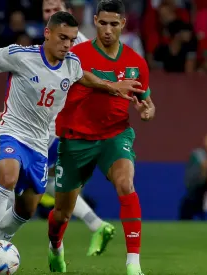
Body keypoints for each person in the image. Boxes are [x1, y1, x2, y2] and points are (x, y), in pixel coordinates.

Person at [0, 11, 145, 269]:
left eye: (71, 39)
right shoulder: (20, 56)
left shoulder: (71, 64)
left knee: (27, 209)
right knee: (8, 177)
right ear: (48, 33)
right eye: (62, 37)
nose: (67, 44)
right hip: (12, 132)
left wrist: (112, 87)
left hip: (40, 145)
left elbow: (85, 77)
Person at [0, 0, 116, 257]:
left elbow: (85, 83)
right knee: (33, 180)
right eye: (45, 11)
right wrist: (11, 110)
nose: (50, 14)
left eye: (55, 9)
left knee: (24, 176)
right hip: (49, 124)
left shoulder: (77, 44)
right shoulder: (45, 46)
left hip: (60, 127)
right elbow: (44, 87)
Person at [47, 1, 155, 274]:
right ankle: (55, 248)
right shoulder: (76, 55)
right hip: (75, 139)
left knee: (126, 184)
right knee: (62, 214)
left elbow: (147, 102)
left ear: (123, 24)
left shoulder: (136, 62)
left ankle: (133, 265)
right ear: (94, 21)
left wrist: (147, 110)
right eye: (102, 23)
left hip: (115, 135)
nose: (107, 30)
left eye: (113, 24)